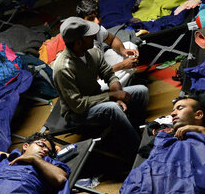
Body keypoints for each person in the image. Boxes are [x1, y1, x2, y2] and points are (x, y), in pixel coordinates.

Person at [52, 17, 149, 149]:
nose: (94, 37)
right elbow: (78, 105)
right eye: (89, 36)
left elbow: (109, 74)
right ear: (78, 43)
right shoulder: (63, 68)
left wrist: (117, 92)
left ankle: (134, 129)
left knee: (141, 91)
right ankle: (137, 148)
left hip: (97, 97)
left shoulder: (93, 51)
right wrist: (112, 97)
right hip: (77, 114)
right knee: (112, 108)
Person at [0, 133, 67, 189]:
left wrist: (34, 159)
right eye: (41, 145)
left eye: (48, 151)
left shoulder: (44, 167)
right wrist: (20, 157)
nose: (45, 150)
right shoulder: (4, 165)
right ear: (26, 146)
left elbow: (61, 178)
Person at [76, 0, 140, 71]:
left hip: (100, 66)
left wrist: (123, 50)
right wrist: (123, 65)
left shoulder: (98, 29)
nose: (97, 21)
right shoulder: (80, 43)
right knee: (127, 67)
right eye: (91, 19)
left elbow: (112, 40)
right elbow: (92, 75)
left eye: (98, 16)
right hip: (89, 78)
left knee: (130, 46)